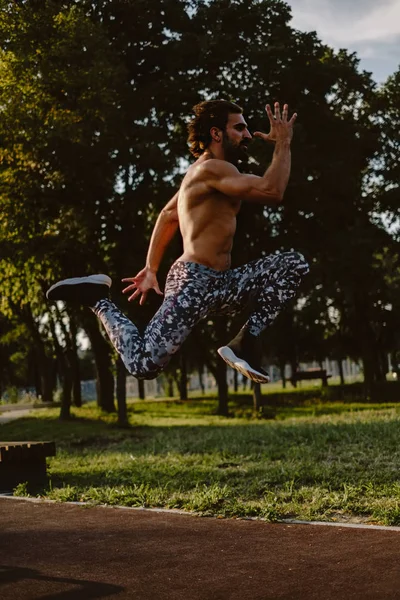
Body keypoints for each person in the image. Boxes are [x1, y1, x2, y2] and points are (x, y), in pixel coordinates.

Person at [47, 99, 309, 383]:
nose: (247, 135)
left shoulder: (199, 175)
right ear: (216, 133)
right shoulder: (210, 170)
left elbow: (169, 214)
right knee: (144, 364)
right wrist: (283, 142)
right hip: (193, 283)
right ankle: (98, 299)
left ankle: (245, 343)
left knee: (292, 264)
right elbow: (272, 190)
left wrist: (150, 268)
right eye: (239, 128)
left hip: (223, 284)